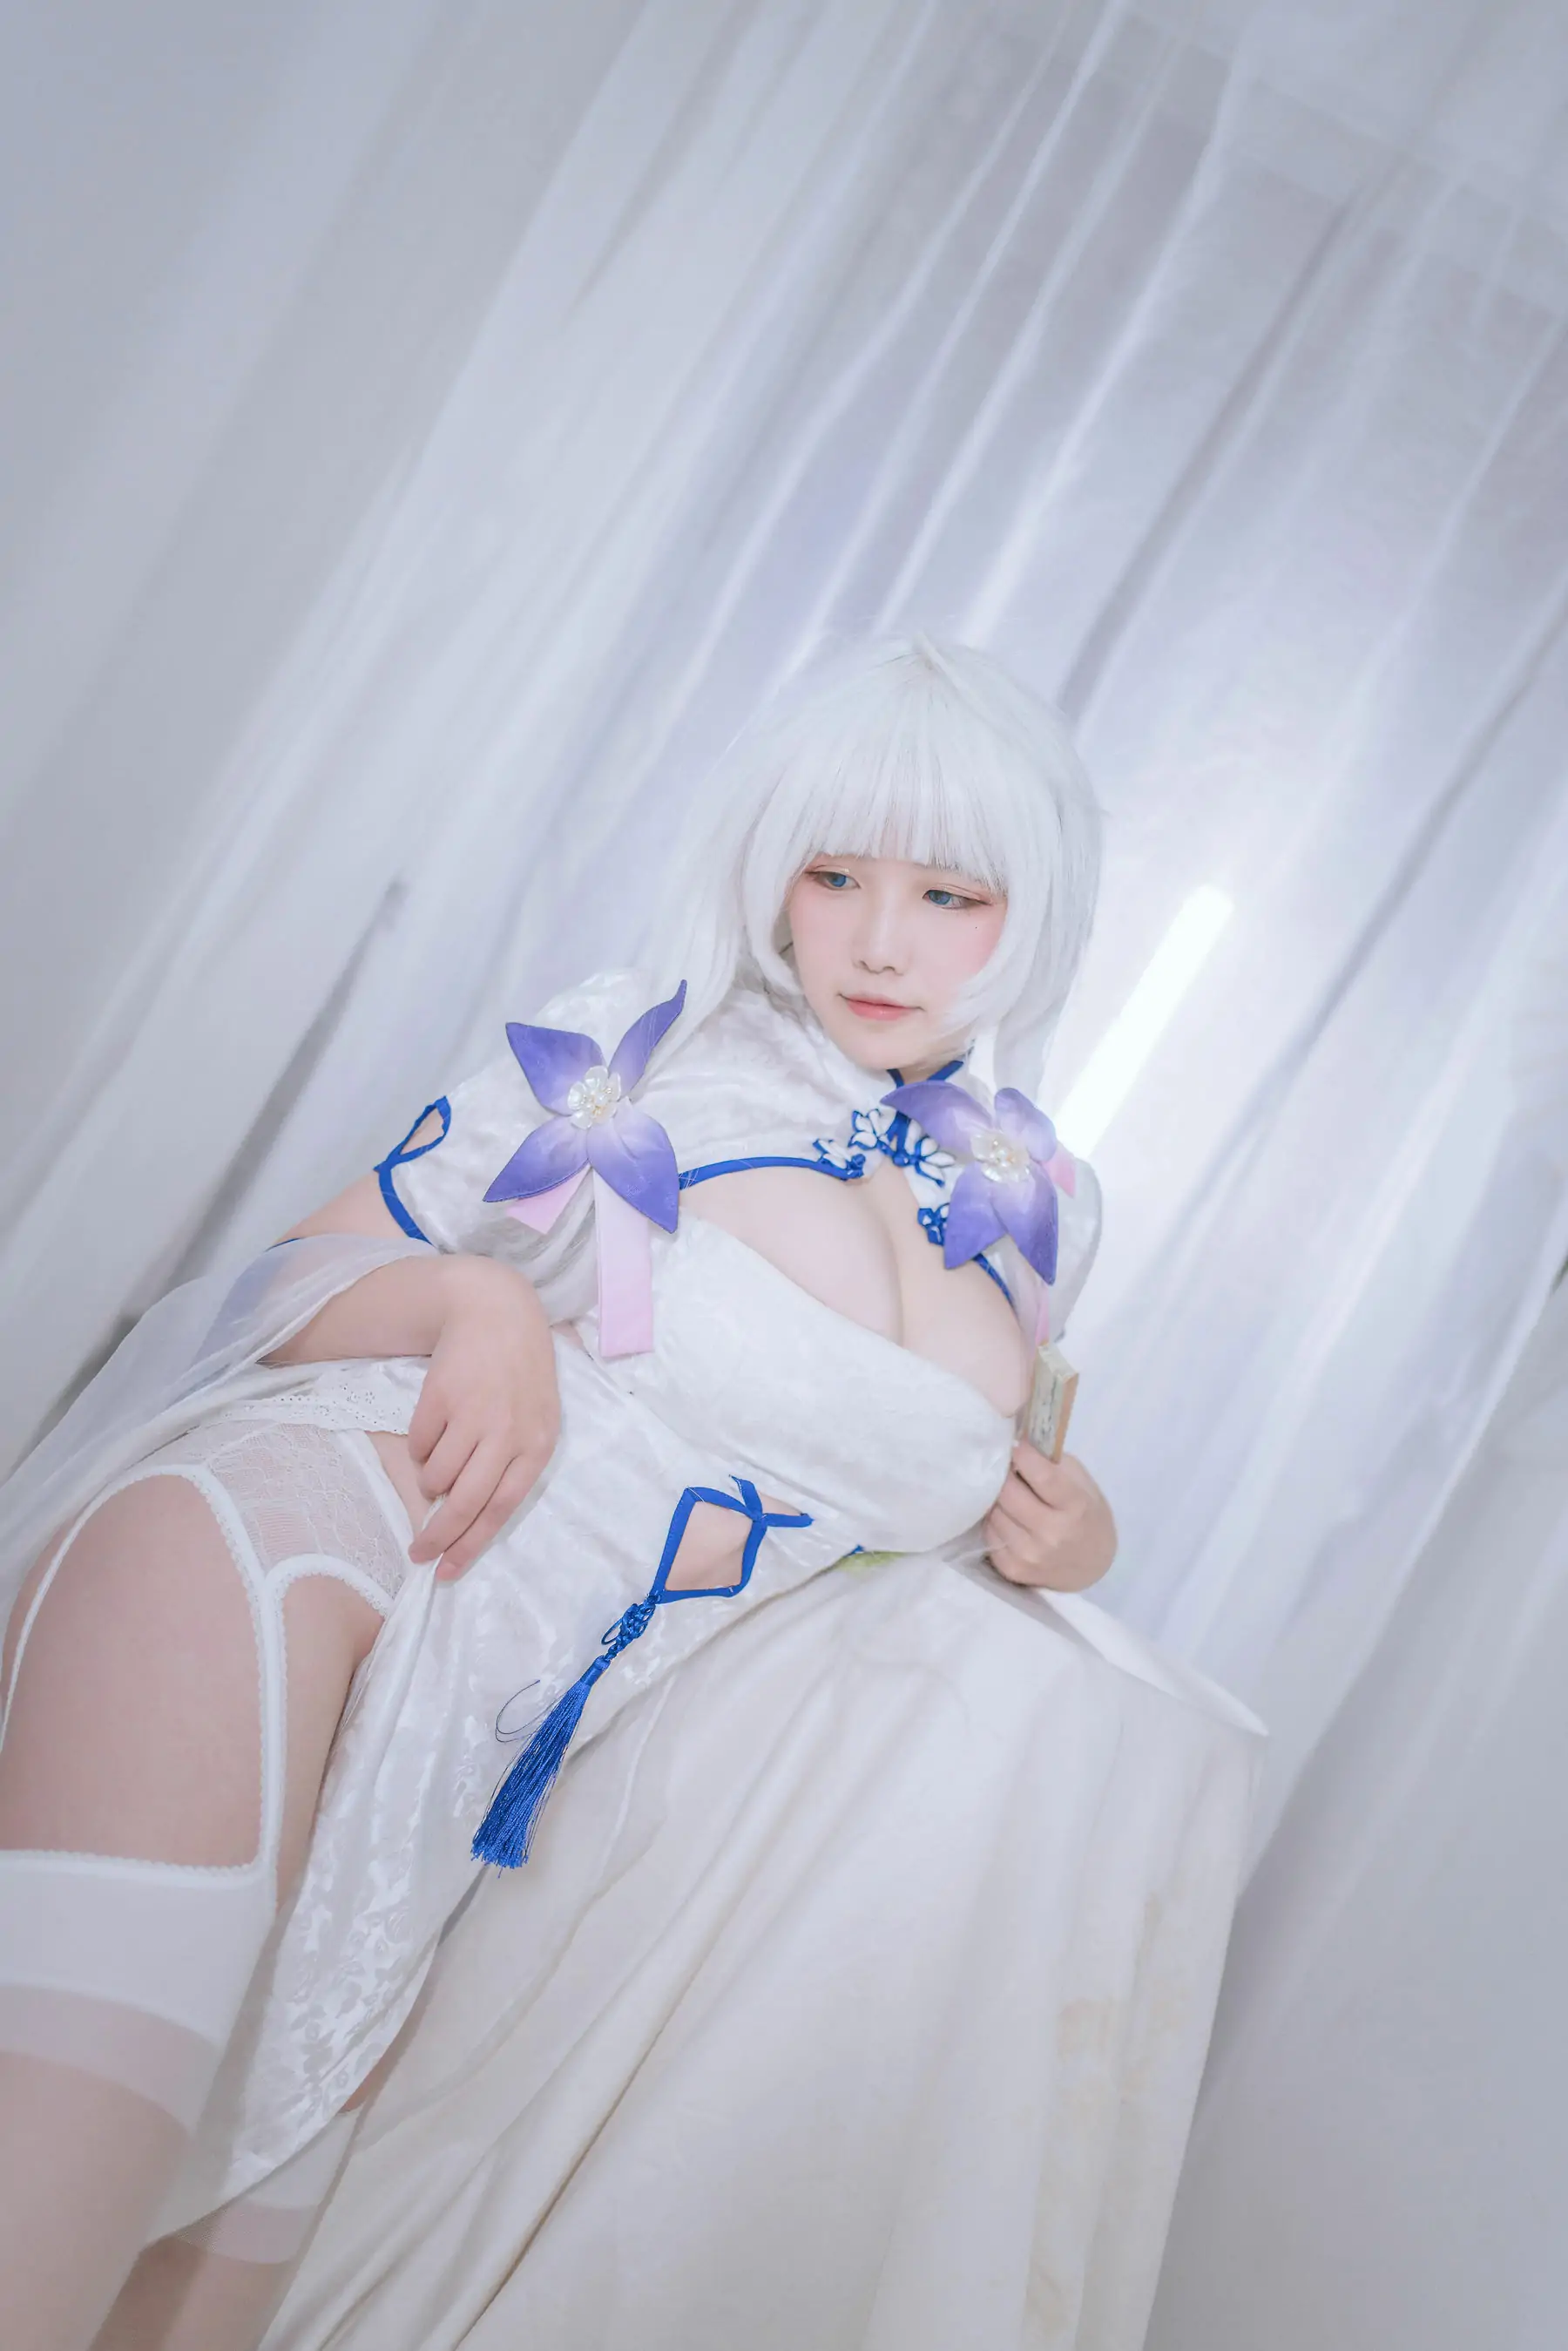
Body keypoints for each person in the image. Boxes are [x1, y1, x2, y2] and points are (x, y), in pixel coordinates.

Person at [0, 639, 1262, 2351]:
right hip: (294, 1566)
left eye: (948, 894)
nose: (879, 940)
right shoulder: (636, 1047)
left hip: (484, 1763)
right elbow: (281, 1285)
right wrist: (473, 1297)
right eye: (835, 874)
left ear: (1033, 913)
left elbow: (925, 1500)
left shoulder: (1038, 1199)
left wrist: (1068, 1526)